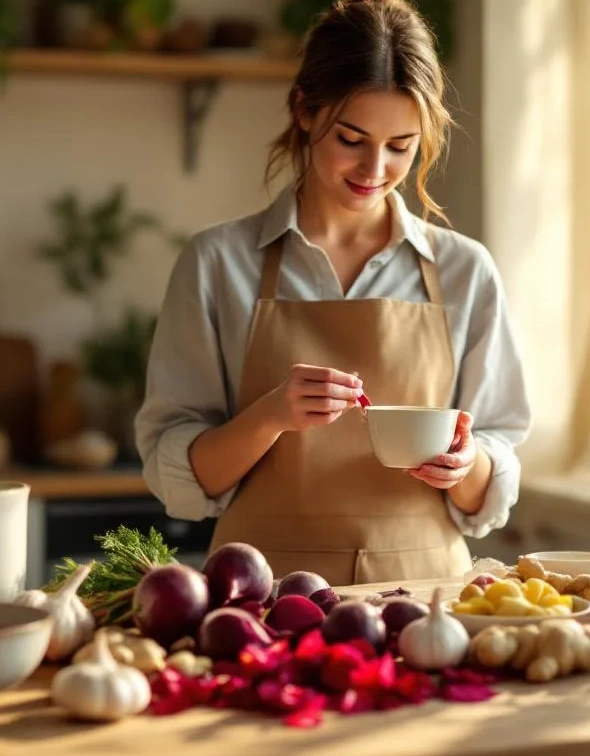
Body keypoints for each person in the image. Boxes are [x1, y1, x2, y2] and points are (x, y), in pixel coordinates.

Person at [135, 0, 531, 587]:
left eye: (401, 145)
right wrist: (270, 416)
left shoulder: (463, 270)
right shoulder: (217, 263)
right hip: (260, 601)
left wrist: (465, 465)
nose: (375, 167)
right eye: (352, 138)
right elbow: (181, 475)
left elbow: (495, 455)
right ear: (303, 109)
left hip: (425, 600)